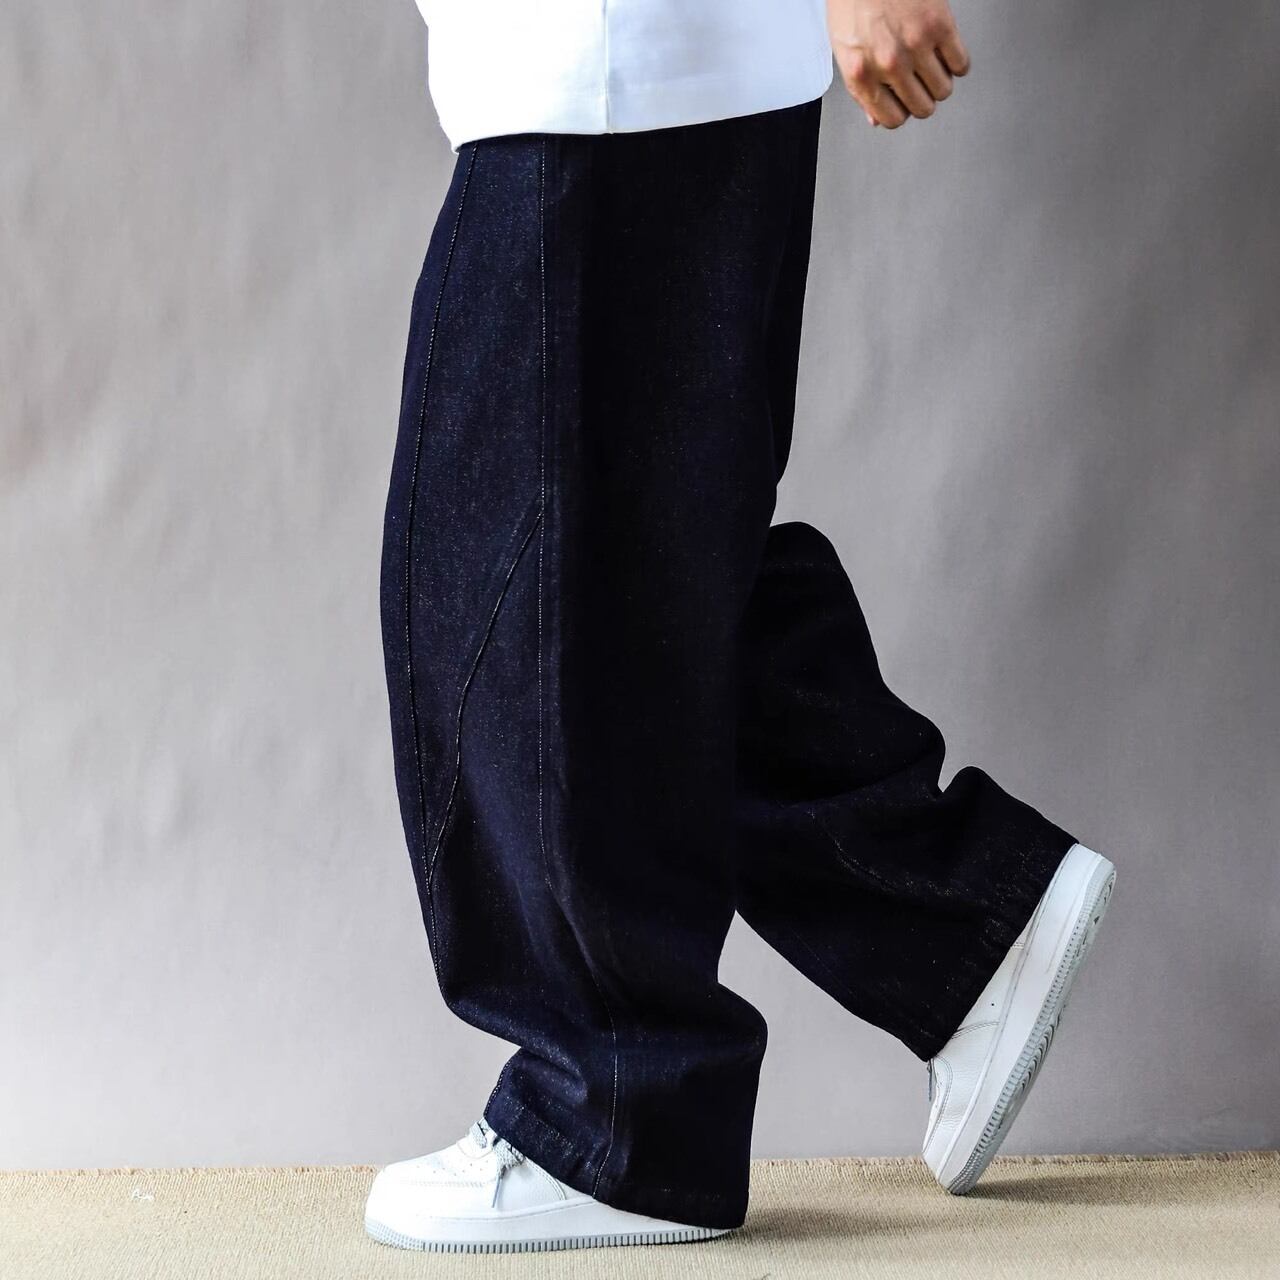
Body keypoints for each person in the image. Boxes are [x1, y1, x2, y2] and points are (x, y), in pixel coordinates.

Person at [364, 0, 1117, 1255]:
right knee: (635, 575)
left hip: (617, 69)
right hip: (627, 74)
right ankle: (956, 920)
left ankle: (616, 1118)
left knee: (518, 589)